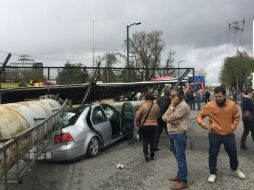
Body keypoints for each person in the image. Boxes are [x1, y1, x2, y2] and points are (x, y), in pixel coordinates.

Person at [196, 86, 246, 183]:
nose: (218, 99)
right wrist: (200, 122)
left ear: (224, 95)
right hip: (215, 134)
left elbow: (236, 116)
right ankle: (213, 172)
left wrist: (233, 127)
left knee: (233, 153)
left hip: (228, 134)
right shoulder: (210, 105)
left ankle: (235, 169)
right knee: (213, 154)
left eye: (220, 96)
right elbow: (200, 115)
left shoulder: (232, 105)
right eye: (216, 97)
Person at [162, 87, 190, 190]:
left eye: (173, 96)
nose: (171, 97)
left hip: (179, 134)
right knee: (178, 157)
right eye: (170, 95)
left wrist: (172, 108)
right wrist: (170, 116)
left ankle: (183, 181)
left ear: (179, 96)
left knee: (181, 158)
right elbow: (163, 117)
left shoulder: (183, 106)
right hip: (172, 134)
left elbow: (170, 117)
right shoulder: (172, 105)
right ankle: (180, 175)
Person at [136, 92, 160, 162]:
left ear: (146, 98)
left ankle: (146, 155)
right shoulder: (156, 105)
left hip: (145, 125)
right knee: (152, 140)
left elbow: (138, 117)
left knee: (145, 140)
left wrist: (139, 119)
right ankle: (152, 155)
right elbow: (158, 115)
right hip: (154, 125)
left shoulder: (143, 105)